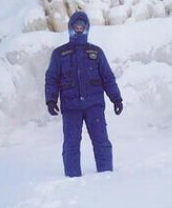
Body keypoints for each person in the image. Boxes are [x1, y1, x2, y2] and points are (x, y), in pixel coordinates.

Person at [44, 11, 123, 177]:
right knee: (71, 144)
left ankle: (107, 177)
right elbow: (52, 78)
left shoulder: (96, 53)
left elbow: (108, 77)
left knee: (101, 141)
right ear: (71, 28)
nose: (79, 29)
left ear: (86, 28)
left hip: (94, 105)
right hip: (71, 107)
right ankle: (72, 180)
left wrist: (116, 98)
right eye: (76, 26)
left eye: (82, 26)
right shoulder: (60, 54)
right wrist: (51, 100)